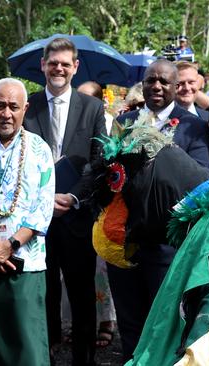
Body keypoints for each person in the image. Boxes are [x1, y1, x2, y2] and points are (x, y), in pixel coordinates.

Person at [23, 37, 106, 366]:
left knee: (82, 295)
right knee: (43, 295)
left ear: (75, 67)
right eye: (52, 62)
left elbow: (99, 162)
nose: (58, 68)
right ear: (43, 65)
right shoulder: (27, 106)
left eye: (64, 63)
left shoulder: (93, 108)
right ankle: (44, 355)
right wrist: (44, 197)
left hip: (77, 216)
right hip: (35, 222)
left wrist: (73, 196)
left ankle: (83, 360)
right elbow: (19, 160)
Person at [0, 78, 55, 365]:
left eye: (14, 107)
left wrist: (11, 244)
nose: (6, 113)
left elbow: (43, 209)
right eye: (1, 105)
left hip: (25, 264)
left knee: (29, 351)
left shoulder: (40, 149)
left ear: (25, 109)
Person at [76, 80, 117, 347]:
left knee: (101, 268)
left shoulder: (113, 124)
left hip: (105, 204)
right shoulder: (76, 123)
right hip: (77, 201)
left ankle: (105, 321)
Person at [118, 59, 209, 168]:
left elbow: (198, 173)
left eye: (164, 82)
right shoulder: (123, 122)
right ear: (143, 85)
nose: (156, 86)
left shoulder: (195, 127)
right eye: (151, 81)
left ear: (176, 88)